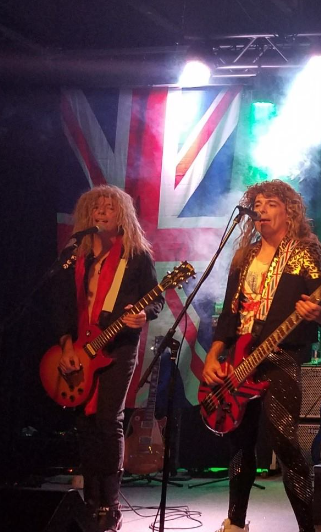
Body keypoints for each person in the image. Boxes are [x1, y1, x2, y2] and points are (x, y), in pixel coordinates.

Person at [202, 180, 321, 532]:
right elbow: (228, 316)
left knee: (285, 443)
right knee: (239, 444)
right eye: (257, 204)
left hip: (282, 358)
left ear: (289, 212)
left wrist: (318, 312)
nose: (261, 209)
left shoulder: (306, 253)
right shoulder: (244, 256)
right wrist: (213, 356)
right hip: (239, 360)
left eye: (271, 204)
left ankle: (307, 528)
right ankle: (235, 523)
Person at [52, 185, 164, 531]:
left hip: (119, 346)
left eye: (109, 208)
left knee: (108, 421)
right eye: (96, 208)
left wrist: (142, 315)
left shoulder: (137, 256)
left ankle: (110, 504)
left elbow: (155, 300)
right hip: (80, 350)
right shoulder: (77, 257)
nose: (101, 213)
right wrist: (66, 345)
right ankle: (91, 501)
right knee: (85, 425)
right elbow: (63, 306)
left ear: (122, 216)